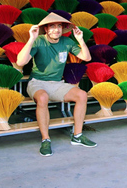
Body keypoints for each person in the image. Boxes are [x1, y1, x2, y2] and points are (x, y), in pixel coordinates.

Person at [17, 13, 96, 157]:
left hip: (57, 84)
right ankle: (45, 139)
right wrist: (31, 39)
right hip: (37, 83)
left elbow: (87, 57)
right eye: (52, 26)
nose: (56, 29)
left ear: (62, 28)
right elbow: (21, 62)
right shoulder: (38, 41)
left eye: (59, 26)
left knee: (82, 95)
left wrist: (80, 40)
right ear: (46, 29)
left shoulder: (67, 42)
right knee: (43, 98)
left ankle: (77, 136)